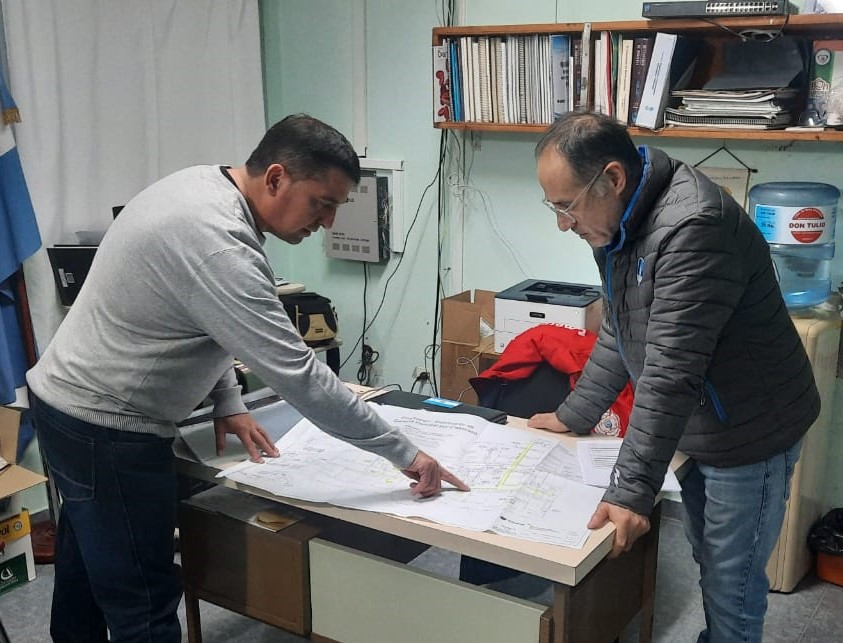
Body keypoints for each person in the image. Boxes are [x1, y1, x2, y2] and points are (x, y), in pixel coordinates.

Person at [27, 113, 468, 643]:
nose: (328, 222)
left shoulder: (202, 186)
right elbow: (301, 377)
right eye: (321, 203)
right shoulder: (221, 245)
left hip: (65, 401)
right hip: (108, 426)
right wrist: (407, 454)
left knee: (88, 568)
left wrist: (228, 399)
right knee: (142, 602)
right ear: (276, 177)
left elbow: (196, 314)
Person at [528, 112, 818, 643]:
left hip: (750, 430)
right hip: (702, 421)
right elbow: (621, 327)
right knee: (711, 558)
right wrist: (575, 414)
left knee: (731, 586)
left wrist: (630, 492)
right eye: (554, 208)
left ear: (613, 178)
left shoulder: (693, 226)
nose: (563, 224)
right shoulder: (619, 222)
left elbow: (668, 372)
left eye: (567, 206)